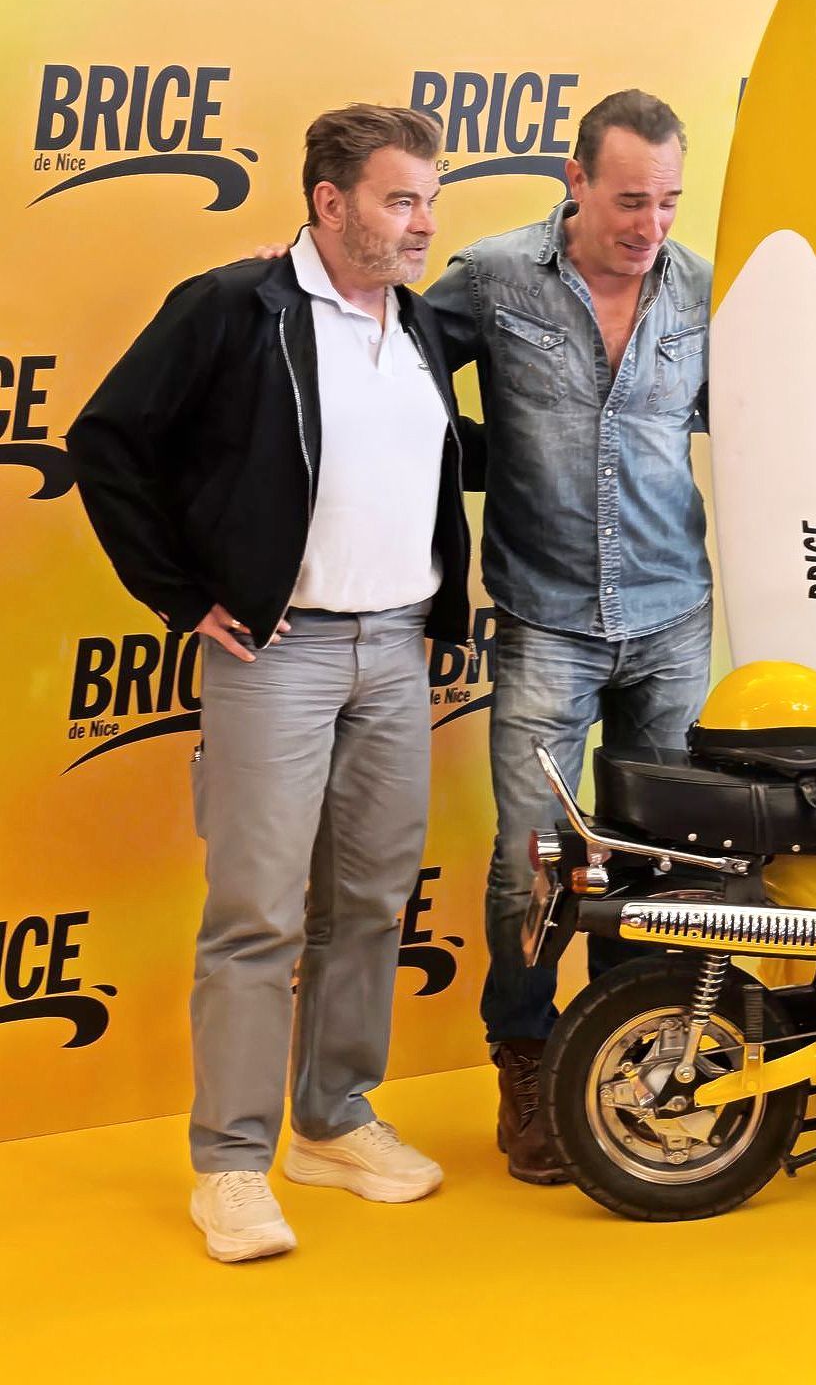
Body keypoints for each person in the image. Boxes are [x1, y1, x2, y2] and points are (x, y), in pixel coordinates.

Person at [67, 105, 473, 1261]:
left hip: (396, 650)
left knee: (372, 902)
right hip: (277, 655)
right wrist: (183, 594)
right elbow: (106, 441)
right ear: (329, 202)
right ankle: (231, 1164)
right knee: (256, 916)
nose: (423, 222)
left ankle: (333, 1123)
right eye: (399, 200)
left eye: (430, 200)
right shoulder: (234, 307)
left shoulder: (423, 324)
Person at [422, 90, 714, 1183]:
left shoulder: (702, 287)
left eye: (669, 201)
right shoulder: (494, 278)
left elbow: (800, 387)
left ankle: (627, 1054)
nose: (650, 226)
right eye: (630, 200)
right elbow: (378, 355)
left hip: (675, 617)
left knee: (665, 861)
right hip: (546, 618)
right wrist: (290, 274)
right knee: (531, 863)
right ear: (576, 181)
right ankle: (527, 1058)